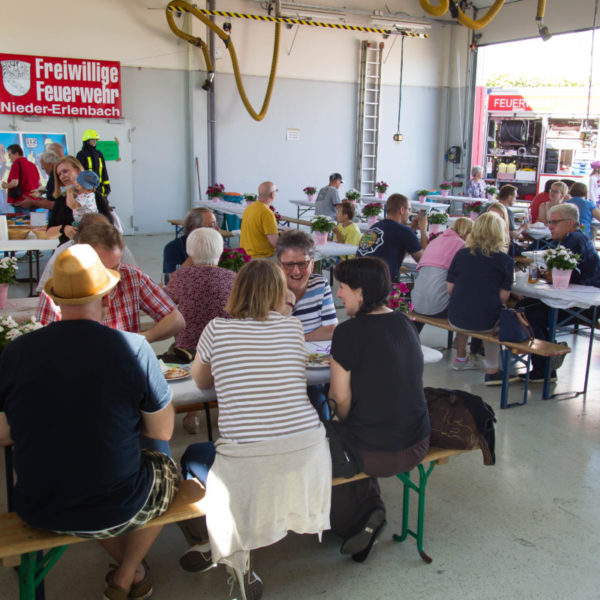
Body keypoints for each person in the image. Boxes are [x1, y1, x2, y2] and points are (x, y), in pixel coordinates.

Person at [0, 244, 178, 599]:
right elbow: (162, 431)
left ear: (55, 300)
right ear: (107, 296)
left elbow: (4, 432)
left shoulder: (17, 351)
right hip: (119, 504)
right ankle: (127, 573)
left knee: (83, 479)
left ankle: (129, 568)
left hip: (38, 505)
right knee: (166, 467)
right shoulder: (134, 348)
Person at [178, 259, 331, 600]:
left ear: (238, 291)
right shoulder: (292, 328)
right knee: (248, 459)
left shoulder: (217, 329)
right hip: (308, 451)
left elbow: (201, 381)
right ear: (279, 292)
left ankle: (226, 549)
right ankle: (227, 542)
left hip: (247, 460)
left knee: (194, 457)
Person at [328, 257, 430, 562]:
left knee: (329, 440)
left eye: (343, 288)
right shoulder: (405, 322)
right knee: (361, 428)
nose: (339, 295)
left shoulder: (347, 333)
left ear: (360, 292)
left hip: (375, 454)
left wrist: (337, 424)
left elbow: (340, 401)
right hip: (418, 443)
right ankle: (371, 508)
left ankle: (361, 517)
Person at [37, 222, 185, 343]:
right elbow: (43, 341)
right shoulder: (62, 286)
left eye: (115, 267)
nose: (109, 275)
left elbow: (176, 320)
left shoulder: (131, 276)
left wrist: (140, 339)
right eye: (100, 267)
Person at [165, 228, 236, 434]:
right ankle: (224, 411)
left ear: (189, 252)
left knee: (175, 342)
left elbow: (165, 304)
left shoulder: (181, 277)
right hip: (226, 349)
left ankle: (192, 415)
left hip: (190, 351)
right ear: (221, 251)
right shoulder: (232, 277)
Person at [518, 203, 600, 382]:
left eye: (554, 222)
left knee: (529, 314)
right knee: (522, 307)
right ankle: (545, 363)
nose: (550, 227)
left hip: (584, 306)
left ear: (570, 223)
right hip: (574, 300)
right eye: (549, 222)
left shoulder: (573, 239)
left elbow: (557, 275)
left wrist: (546, 274)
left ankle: (544, 368)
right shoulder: (572, 237)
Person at [447, 212, 516, 386]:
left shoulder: (461, 254)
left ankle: (460, 357)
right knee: (494, 319)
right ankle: (492, 369)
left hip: (456, 318)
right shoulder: (505, 260)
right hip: (485, 323)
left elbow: (450, 289)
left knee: (468, 304)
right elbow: (503, 297)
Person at [411, 217, 475, 367]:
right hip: (438, 309)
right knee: (469, 304)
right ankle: (461, 356)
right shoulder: (462, 246)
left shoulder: (435, 242)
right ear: (467, 233)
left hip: (416, 303)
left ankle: (410, 343)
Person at [36, 213, 137, 294]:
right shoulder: (64, 255)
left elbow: (135, 278)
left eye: (114, 268)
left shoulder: (116, 246)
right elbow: (45, 293)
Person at [276, 230, 338, 341]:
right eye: (289, 265)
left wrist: (298, 341)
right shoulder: (269, 289)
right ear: (279, 265)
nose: (296, 271)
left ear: (312, 264)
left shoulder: (320, 285)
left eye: (302, 264)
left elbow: (331, 329)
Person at [357, 193, 428, 281]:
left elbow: (398, 253)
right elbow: (424, 261)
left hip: (358, 279)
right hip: (381, 284)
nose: (409, 214)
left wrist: (412, 230)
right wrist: (423, 230)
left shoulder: (375, 227)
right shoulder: (403, 231)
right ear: (402, 210)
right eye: (409, 210)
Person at [47, 156, 113, 244]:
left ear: (78, 170)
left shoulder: (93, 195)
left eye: (65, 171)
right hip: (68, 250)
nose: (62, 176)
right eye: (59, 174)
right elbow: (49, 233)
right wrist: (64, 229)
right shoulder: (61, 199)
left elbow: (109, 225)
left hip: (94, 247)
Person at [162, 207, 218, 283]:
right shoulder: (173, 248)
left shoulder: (217, 245)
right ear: (197, 230)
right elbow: (168, 281)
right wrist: (196, 256)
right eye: (212, 226)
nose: (217, 229)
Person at [239, 181, 279, 258]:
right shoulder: (267, 212)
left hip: (245, 256)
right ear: (272, 195)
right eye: (276, 191)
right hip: (262, 258)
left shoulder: (249, 208)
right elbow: (274, 242)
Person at [1, 144, 40, 213]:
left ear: (16, 154)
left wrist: (4, 185)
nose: (9, 158)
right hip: (34, 201)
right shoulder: (32, 165)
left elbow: (14, 183)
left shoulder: (16, 164)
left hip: (21, 202)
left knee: (22, 223)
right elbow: (39, 184)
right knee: (36, 223)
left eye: (10, 155)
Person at [76, 129, 111, 197]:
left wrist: (106, 187)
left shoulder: (99, 154)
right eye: (93, 139)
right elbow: (79, 173)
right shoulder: (81, 154)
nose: (95, 141)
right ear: (87, 141)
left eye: (95, 140)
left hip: (100, 189)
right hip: (87, 189)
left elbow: (104, 171)